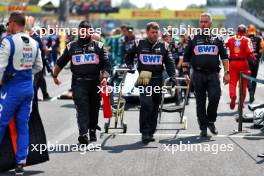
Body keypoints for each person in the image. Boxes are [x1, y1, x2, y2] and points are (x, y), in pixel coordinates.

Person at [53, 20, 111, 144]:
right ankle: (83, 134)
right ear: (78, 31)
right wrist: (55, 75)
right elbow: (60, 62)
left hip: (95, 82)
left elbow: (106, 65)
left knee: (94, 108)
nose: (84, 33)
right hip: (78, 82)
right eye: (82, 30)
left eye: (87, 30)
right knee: (82, 108)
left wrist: (105, 78)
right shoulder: (71, 46)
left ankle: (92, 130)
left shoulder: (99, 46)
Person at [0, 12, 43, 175]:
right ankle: (20, 162)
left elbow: (0, 66)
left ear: (12, 23)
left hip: (11, 89)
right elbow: (39, 67)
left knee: (1, 123)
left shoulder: (8, 41)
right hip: (27, 88)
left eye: (8, 23)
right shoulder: (33, 42)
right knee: (22, 125)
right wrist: (25, 73)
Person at [126, 22, 176, 144]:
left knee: (155, 106)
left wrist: (173, 76)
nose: (154, 35)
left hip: (158, 78)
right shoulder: (139, 43)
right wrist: (130, 65)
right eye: (152, 32)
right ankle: (144, 132)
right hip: (144, 76)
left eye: (156, 32)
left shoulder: (164, 45)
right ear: (147, 32)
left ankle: (151, 131)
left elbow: (169, 62)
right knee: (146, 104)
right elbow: (129, 55)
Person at [182, 13, 229, 137]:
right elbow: (186, 56)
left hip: (213, 74)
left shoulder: (218, 38)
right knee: (200, 102)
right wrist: (185, 73)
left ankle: (210, 121)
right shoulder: (193, 38)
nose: (203, 24)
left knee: (215, 96)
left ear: (210, 23)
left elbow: (224, 56)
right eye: (201, 22)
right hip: (198, 74)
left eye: (205, 22)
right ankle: (203, 127)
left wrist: (227, 73)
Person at [225, 24, 255, 110]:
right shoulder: (247, 39)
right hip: (243, 63)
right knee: (244, 84)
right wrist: (254, 59)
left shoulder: (230, 38)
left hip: (233, 63)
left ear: (237, 31)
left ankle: (233, 96)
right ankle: (241, 103)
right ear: (245, 32)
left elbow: (224, 45)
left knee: (232, 82)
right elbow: (250, 52)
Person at [246, 25, 263, 103]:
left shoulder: (245, 39)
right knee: (254, 78)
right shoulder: (259, 38)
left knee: (247, 77)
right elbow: (261, 49)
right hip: (256, 60)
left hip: (248, 60)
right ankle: (252, 95)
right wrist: (258, 57)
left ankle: (250, 92)